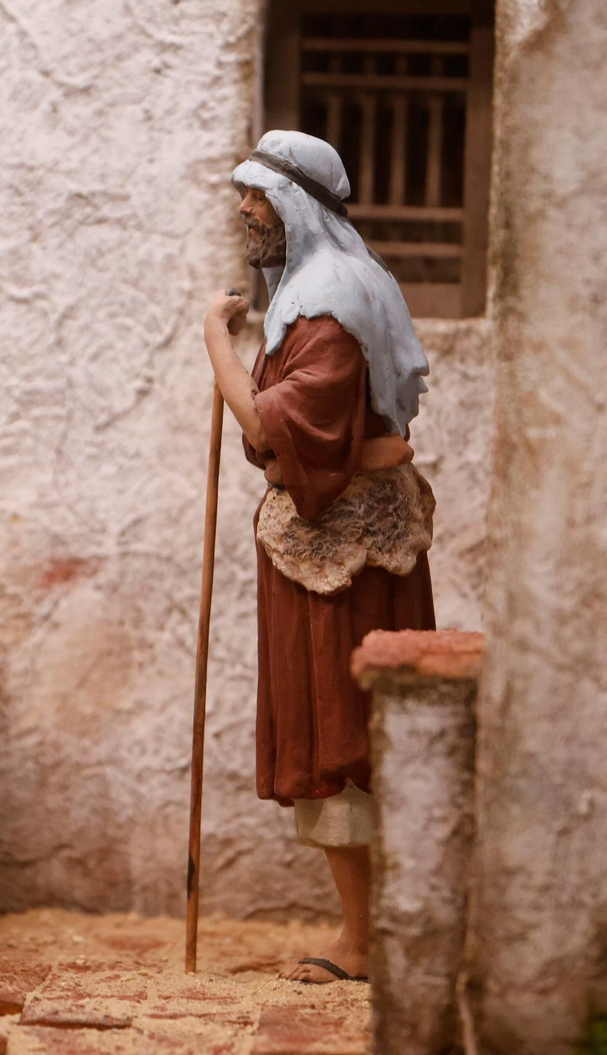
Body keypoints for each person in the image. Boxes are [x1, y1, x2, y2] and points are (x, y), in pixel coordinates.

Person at [203, 130, 437, 983]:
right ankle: (368, 929)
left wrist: (215, 343)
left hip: (340, 557)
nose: (244, 210)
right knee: (344, 727)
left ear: (295, 204)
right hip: (337, 540)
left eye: (258, 196)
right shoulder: (327, 286)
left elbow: (276, 428)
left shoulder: (328, 301)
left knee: (337, 731)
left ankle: (363, 940)